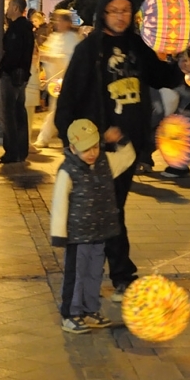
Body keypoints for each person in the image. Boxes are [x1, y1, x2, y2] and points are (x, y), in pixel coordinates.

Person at [55, 0, 188, 301]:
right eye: (113, 11)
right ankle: (117, 276)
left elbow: (160, 76)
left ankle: (108, 276)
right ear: (102, 13)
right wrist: (86, 136)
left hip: (129, 147)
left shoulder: (137, 46)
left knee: (112, 208)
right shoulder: (89, 50)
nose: (119, 16)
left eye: (125, 10)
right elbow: (69, 100)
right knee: (108, 210)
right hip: (96, 148)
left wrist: (179, 66)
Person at [51, 120, 135, 334]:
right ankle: (70, 314)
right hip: (78, 236)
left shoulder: (105, 162)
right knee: (76, 275)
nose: (92, 153)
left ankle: (90, 310)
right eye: (85, 149)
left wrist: (121, 140)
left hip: (100, 232)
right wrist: (59, 234)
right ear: (72, 148)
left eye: (95, 147)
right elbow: (60, 203)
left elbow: (127, 158)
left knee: (95, 273)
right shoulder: (67, 171)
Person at [0, 0, 35, 164]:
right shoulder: (26, 28)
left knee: (8, 114)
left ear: (16, 8)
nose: (7, 9)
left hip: (11, 75)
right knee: (19, 113)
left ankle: (11, 152)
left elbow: (13, 53)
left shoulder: (16, 29)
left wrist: (3, 69)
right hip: (22, 76)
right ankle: (21, 151)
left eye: (10, 6)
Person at [35, 9, 81, 148]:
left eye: (60, 20)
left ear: (67, 22)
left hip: (68, 82)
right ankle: (46, 138)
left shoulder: (73, 38)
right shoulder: (54, 37)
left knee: (60, 111)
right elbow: (47, 52)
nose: (57, 23)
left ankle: (48, 138)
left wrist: (54, 58)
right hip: (55, 82)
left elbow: (72, 60)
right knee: (55, 110)